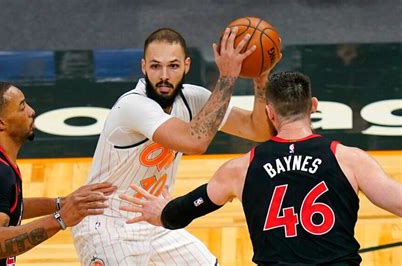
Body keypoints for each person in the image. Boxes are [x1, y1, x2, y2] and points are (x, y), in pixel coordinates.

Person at [119, 71, 402, 265]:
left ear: (269, 112)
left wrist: (163, 213)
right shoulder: (349, 159)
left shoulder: (241, 168)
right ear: (313, 105)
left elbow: (187, 209)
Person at [71, 27, 279, 265]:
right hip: (108, 224)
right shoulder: (133, 106)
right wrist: (228, 76)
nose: (164, 75)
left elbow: (258, 130)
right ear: (143, 66)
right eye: (155, 66)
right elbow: (195, 142)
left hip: (154, 217)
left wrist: (261, 79)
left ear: (187, 66)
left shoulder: (193, 98)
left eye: (173, 66)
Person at [0, 82, 116, 265]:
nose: (31, 111)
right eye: (22, 108)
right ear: (1, 123)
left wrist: (60, 203)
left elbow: (6, 206)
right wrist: (60, 219)